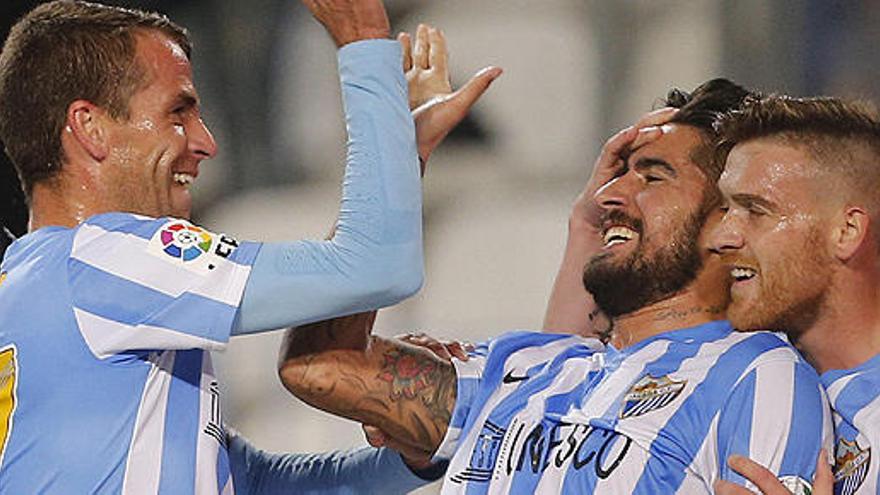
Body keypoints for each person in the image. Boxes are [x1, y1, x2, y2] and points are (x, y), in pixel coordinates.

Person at [0, 0, 500, 493]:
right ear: (90, 128)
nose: (206, 142)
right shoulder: (106, 260)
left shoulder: (39, 282)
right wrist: (364, 39)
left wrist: (415, 458)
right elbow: (376, 265)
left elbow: (249, 483)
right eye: (179, 111)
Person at [278, 79, 831, 493]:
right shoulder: (530, 365)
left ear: (727, 218)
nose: (610, 195)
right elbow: (320, 365)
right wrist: (398, 164)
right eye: (618, 173)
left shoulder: (758, 376)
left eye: (653, 175)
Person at [707, 96, 880, 495]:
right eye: (724, 210)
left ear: (847, 231)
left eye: (756, 210)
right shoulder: (738, 383)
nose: (721, 238)